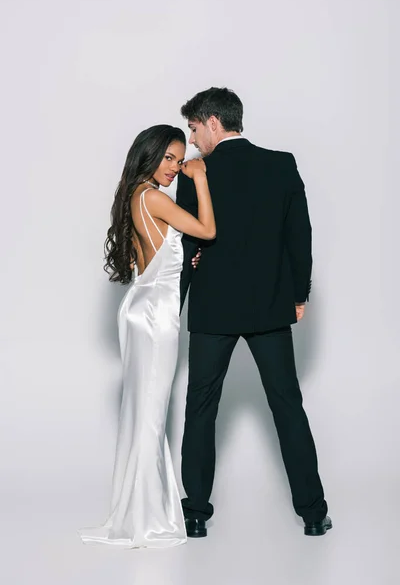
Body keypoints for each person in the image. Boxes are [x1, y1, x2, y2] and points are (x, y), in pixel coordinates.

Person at [176, 87, 331, 538]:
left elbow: (187, 246)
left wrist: (177, 301)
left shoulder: (193, 174)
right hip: (269, 307)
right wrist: (298, 296)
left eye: (192, 129)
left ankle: (196, 513)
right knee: (288, 405)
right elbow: (299, 238)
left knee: (200, 409)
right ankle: (314, 514)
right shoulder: (281, 165)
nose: (192, 140)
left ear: (212, 122)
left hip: (212, 310)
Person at [79, 125, 216, 549]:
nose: (175, 167)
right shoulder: (155, 197)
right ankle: (145, 519)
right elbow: (208, 231)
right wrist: (201, 178)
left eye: (180, 159)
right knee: (151, 416)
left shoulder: (134, 194)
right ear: (150, 154)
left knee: (140, 414)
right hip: (157, 315)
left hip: (138, 307)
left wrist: (182, 255)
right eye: (169, 158)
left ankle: (134, 510)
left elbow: (162, 253)